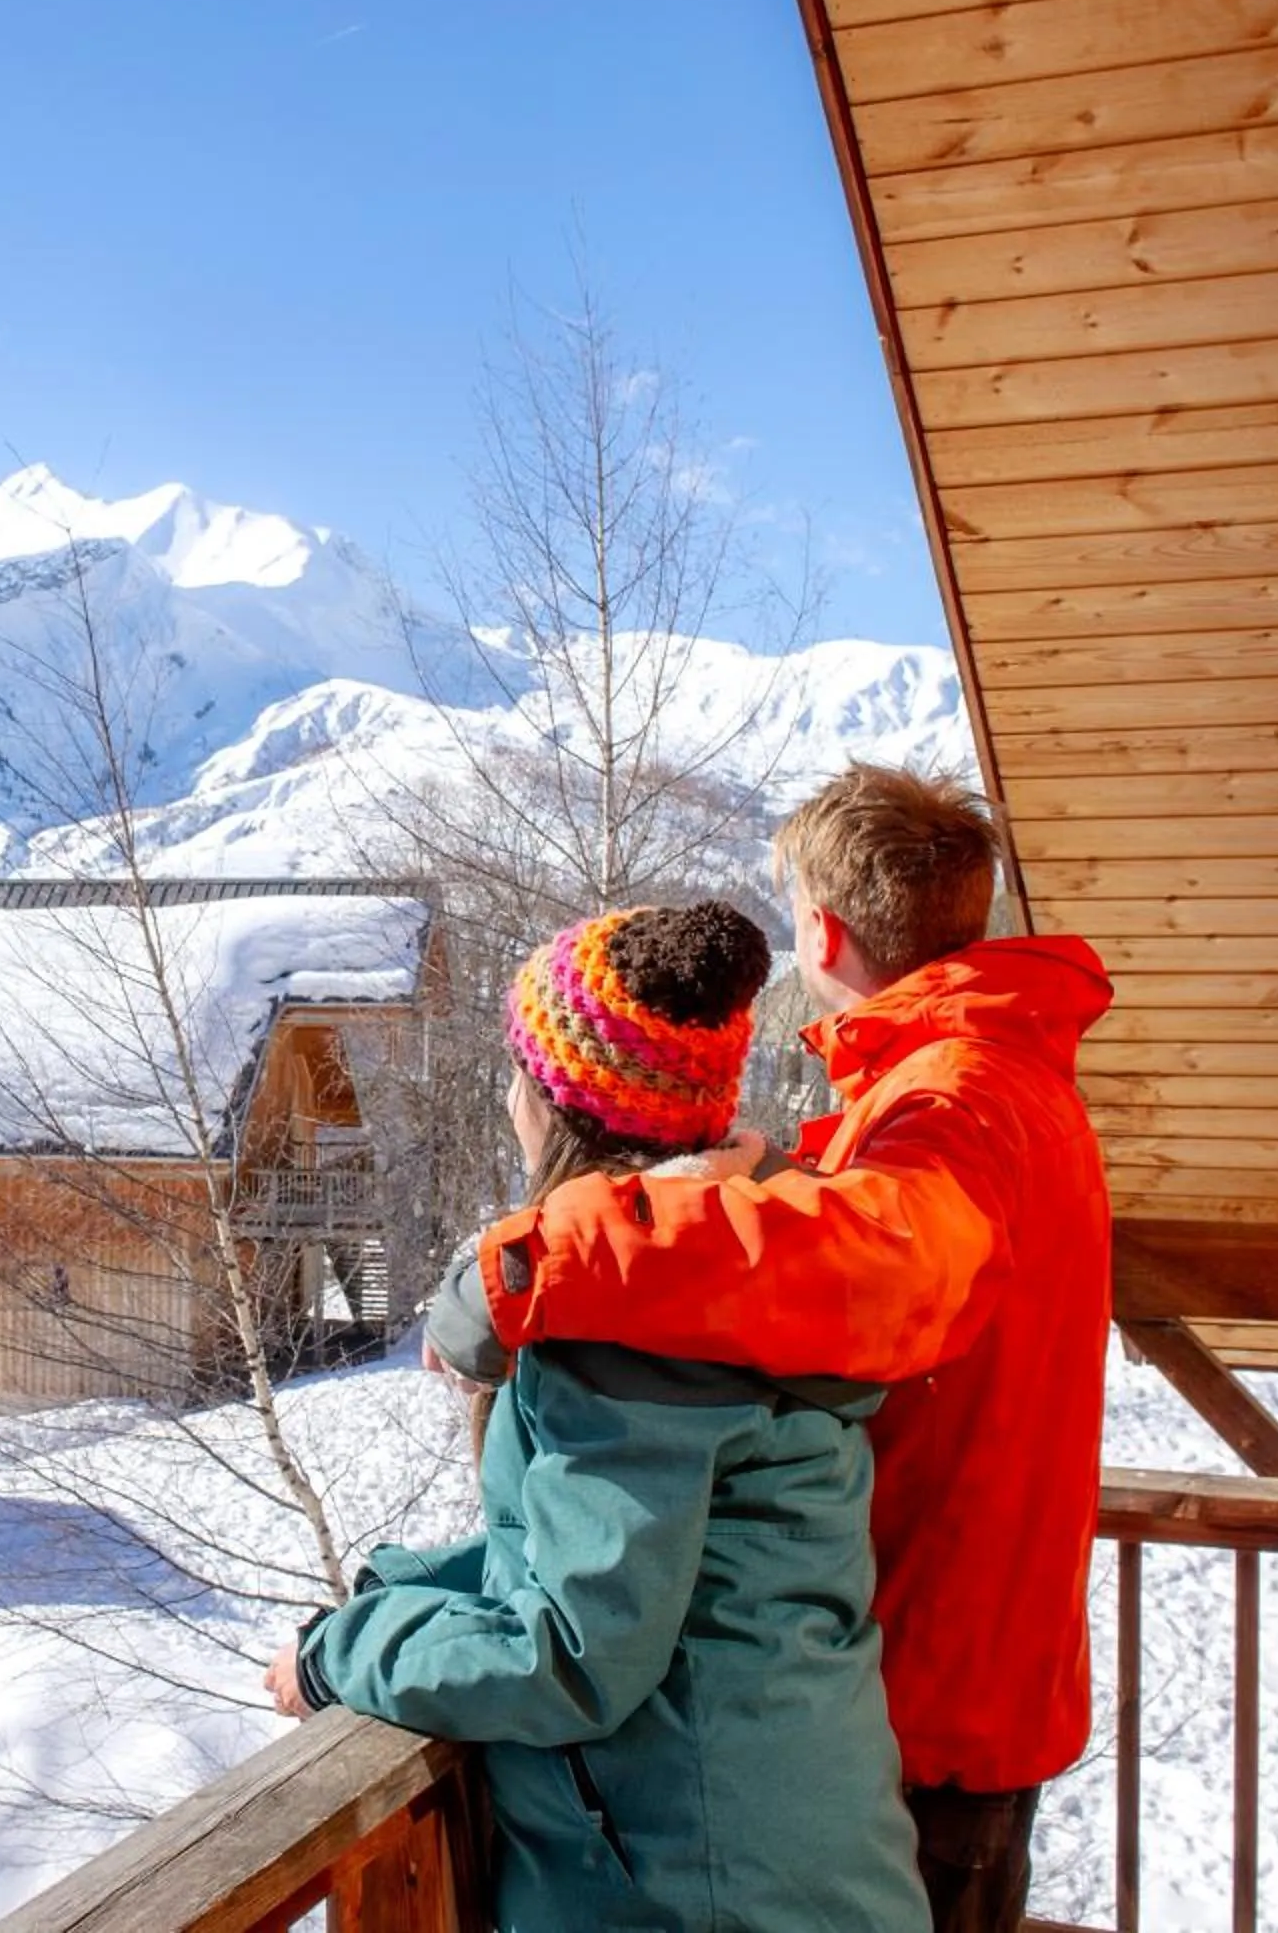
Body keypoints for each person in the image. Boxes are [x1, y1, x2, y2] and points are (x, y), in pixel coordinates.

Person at [454, 765, 1114, 1933]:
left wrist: (538, 1258)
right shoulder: (995, 1079)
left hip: (933, 1686)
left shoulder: (952, 1099)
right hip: (967, 1662)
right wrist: (777, 1182)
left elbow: (880, 1270)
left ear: (823, 925)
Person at [262, 900, 931, 1933]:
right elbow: (618, 1555)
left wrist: (341, 1653)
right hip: (786, 1860)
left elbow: (571, 1657)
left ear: (553, 1104)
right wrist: (406, 1586)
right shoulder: (742, 1269)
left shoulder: (638, 1330)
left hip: (694, 1893)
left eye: (518, 1070)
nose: (509, 1094)